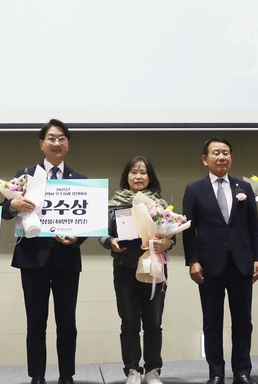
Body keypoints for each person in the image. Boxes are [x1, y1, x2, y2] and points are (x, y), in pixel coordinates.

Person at [0, 119, 86, 384]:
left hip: (66, 259)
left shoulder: (80, 180)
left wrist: (78, 238)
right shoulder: (25, 175)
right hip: (32, 258)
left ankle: (66, 375)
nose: (56, 143)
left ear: (68, 144)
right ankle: (37, 375)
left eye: (61, 138)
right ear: (41, 144)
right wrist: (13, 204)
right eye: (51, 138)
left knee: (67, 322)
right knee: (36, 322)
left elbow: (88, 221)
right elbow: (4, 211)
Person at [182, 137, 258, 384]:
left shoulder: (244, 188)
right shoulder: (194, 190)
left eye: (226, 153)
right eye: (216, 153)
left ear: (231, 157)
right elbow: (188, 230)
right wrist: (193, 261)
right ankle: (216, 372)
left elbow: (254, 226)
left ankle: (242, 371)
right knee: (212, 322)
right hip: (209, 265)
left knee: (243, 321)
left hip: (242, 262)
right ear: (205, 159)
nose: (221, 157)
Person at [99, 156, 174, 384]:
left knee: (153, 323)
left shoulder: (160, 204)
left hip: (154, 269)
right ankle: (132, 369)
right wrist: (110, 241)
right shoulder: (114, 204)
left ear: (150, 177)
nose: (138, 176)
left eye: (143, 172)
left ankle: (152, 371)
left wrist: (167, 243)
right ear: (127, 176)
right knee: (129, 323)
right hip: (125, 269)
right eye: (133, 172)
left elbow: (172, 237)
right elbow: (102, 233)